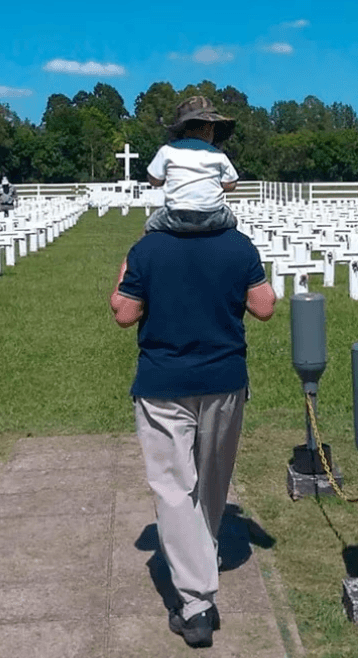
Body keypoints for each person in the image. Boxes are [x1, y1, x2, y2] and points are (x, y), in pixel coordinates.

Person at [109, 215, 276, 648]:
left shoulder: (146, 249)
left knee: (174, 488)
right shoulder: (239, 246)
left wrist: (128, 266)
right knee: (212, 480)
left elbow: (124, 314)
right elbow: (264, 306)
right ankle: (199, 584)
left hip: (164, 383)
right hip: (223, 380)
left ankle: (196, 603)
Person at [143, 96, 239, 234]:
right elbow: (231, 185)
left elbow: (155, 180)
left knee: (151, 224)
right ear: (211, 126)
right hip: (211, 216)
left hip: (176, 216)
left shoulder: (167, 150)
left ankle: (145, 250)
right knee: (231, 219)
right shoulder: (218, 155)